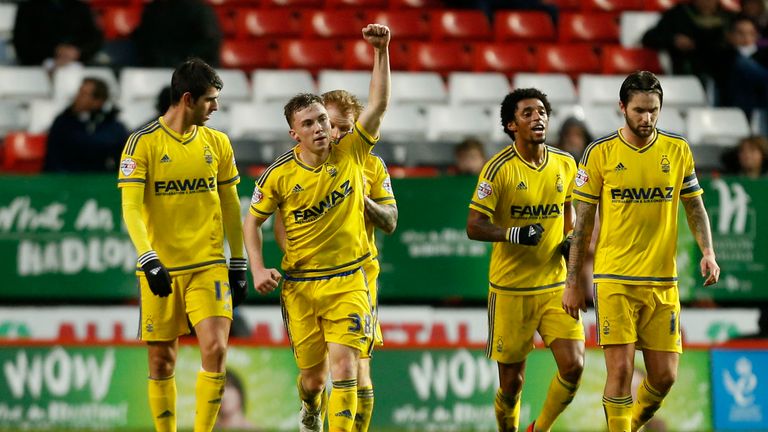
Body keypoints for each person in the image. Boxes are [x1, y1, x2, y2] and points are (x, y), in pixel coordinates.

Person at [243, 24, 390, 432]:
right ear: (295, 133)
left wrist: (381, 52)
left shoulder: (353, 152)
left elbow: (376, 105)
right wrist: (257, 268)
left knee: (346, 364)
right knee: (313, 379)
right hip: (302, 286)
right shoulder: (277, 176)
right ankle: (310, 406)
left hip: (348, 279)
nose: (320, 128)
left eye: (323, 119)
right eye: (309, 123)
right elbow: (252, 222)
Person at [562, 71, 720, 432]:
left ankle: (629, 425)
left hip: (663, 281)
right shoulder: (600, 153)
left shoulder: (677, 150)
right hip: (614, 278)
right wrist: (572, 282)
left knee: (664, 376)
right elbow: (582, 224)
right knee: (621, 370)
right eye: (638, 111)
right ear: (622, 108)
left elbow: (695, 207)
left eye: (653, 110)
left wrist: (708, 251)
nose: (646, 118)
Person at [118, 58, 248, 432]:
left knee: (217, 349)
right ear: (188, 99)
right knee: (162, 362)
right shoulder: (141, 144)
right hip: (162, 267)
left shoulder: (218, 143)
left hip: (209, 264)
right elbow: (130, 208)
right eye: (210, 100)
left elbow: (229, 205)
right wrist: (149, 258)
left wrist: (236, 262)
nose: (216, 108)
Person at [273, 88, 398, 432]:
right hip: (311, 280)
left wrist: (362, 199)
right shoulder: (298, 166)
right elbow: (280, 226)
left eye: (344, 127)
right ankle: (311, 406)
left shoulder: (368, 163)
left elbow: (390, 221)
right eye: (332, 125)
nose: (335, 134)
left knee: (358, 370)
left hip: (359, 275)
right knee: (315, 379)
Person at [466, 88, 585, 432]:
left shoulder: (565, 162)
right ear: (511, 124)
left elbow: (568, 212)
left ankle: (540, 428)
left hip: (554, 286)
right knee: (511, 386)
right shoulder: (497, 169)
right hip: (510, 290)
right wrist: (514, 233)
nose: (538, 117)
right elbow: (474, 226)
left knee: (574, 366)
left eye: (542, 111)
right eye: (528, 112)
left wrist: (567, 241)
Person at [43, 77, 129, 172]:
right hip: (66, 180)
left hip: (101, 181)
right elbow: (53, 159)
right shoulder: (63, 122)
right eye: (79, 92)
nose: (77, 97)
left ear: (98, 101)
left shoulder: (113, 125)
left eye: (84, 94)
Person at [642, 0, 735, 82]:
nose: (706, 2)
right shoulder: (678, 14)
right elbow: (649, 38)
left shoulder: (730, 18)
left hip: (724, 72)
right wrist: (673, 40)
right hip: (687, 70)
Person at [12, 0, 103, 68]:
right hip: (37, 65)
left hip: (78, 62)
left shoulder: (81, 8)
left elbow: (94, 39)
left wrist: (77, 51)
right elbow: (22, 43)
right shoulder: (28, 8)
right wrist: (55, 50)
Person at [131, 0, 222, 68]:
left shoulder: (199, 10)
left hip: (196, 73)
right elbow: (144, 40)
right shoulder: (153, 10)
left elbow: (210, 42)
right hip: (156, 68)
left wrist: (184, 61)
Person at [713, 15, 768, 119]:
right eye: (740, 33)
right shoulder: (723, 57)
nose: (746, 38)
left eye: (751, 33)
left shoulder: (765, 56)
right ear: (729, 35)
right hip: (733, 107)